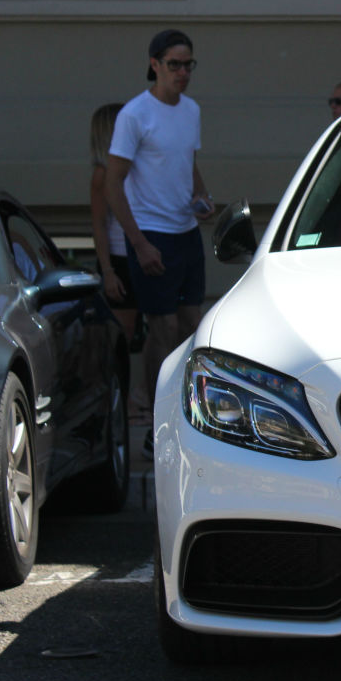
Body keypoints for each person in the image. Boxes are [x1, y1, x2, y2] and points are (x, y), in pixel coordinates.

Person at [105, 28, 214, 458]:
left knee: (192, 326)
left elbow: (188, 161)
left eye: (189, 65)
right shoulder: (135, 115)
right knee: (162, 329)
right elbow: (113, 183)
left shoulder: (191, 110)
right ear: (155, 64)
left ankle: (190, 416)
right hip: (151, 234)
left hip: (185, 232)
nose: (183, 73)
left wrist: (201, 198)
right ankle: (156, 420)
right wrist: (139, 243)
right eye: (174, 65)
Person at [88, 102, 139, 342]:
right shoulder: (102, 174)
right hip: (120, 259)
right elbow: (99, 225)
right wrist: (108, 271)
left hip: (145, 253)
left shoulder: (136, 167)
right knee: (123, 332)